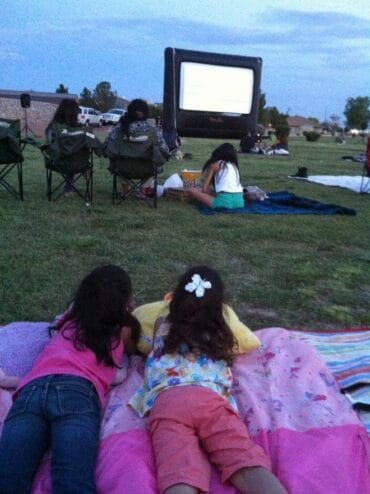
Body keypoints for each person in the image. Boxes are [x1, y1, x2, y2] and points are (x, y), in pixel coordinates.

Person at [129, 265, 287, 494]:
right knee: (245, 463)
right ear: (220, 308)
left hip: (168, 403)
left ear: (174, 299)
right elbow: (251, 342)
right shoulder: (224, 333)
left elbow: (144, 340)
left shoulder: (160, 324)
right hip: (209, 400)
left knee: (178, 474)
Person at [0, 264, 140, 494]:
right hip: (77, 392)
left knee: (9, 478)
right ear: (124, 303)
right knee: (72, 479)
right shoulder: (121, 327)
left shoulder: (69, 320)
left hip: (32, 390)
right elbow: (136, 349)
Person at [104, 98, 170, 197]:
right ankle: (143, 189)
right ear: (144, 113)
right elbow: (164, 150)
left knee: (114, 158)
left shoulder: (118, 129)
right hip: (147, 169)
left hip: (122, 168)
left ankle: (126, 189)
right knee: (158, 161)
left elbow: (106, 147)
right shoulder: (153, 130)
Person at [188, 143, 245, 209]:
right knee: (214, 193)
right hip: (240, 202)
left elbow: (204, 190)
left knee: (191, 190)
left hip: (223, 203)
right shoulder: (234, 166)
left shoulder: (215, 165)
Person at [45, 98, 82, 198]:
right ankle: (68, 188)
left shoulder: (52, 127)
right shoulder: (79, 129)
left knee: (69, 155)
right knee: (74, 155)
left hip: (56, 162)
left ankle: (68, 188)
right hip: (77, 163)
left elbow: (48, 146)